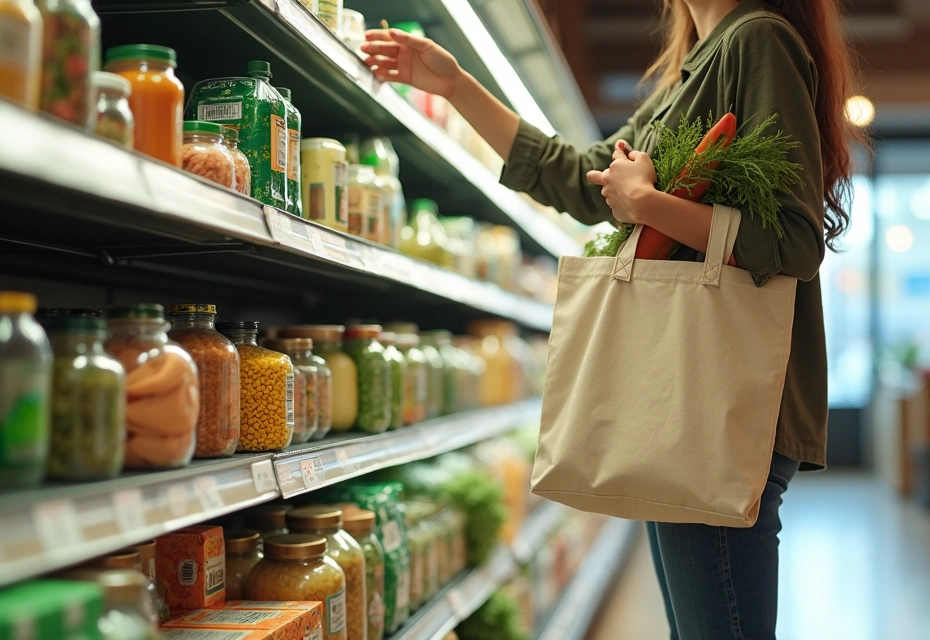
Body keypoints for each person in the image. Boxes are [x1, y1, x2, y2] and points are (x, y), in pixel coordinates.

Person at [363, 0, 862, 636]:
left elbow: (792, 241)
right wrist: (456, 85)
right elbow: (576, 177)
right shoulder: (690, 69)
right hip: (683, 393)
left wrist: (648, 204)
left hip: (722, 398)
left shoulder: (758, 40)